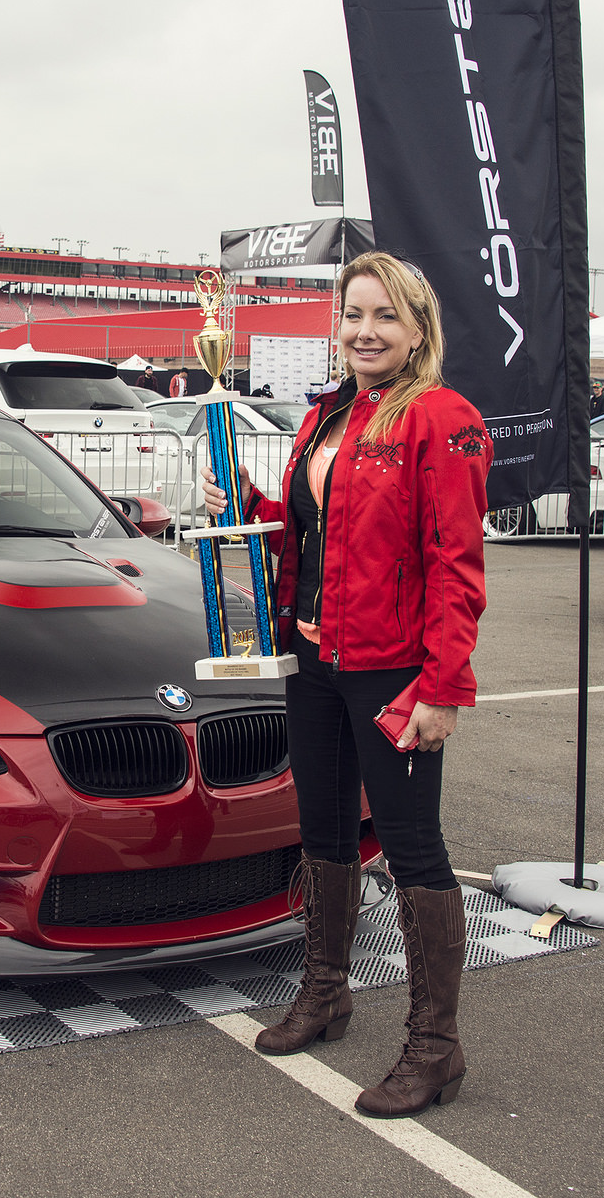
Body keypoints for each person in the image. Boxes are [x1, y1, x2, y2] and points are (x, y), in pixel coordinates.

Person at [203, 251, 489, 1119]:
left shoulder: (441, 418)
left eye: (384, 316)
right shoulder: (329, 415)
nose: (365, 331)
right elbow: (309, 531)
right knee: (322, 829)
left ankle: (435, 1046)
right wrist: (245, 501)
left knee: (412, 847)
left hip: (394, 668)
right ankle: (325, 990)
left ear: (417, 330)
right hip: (316, 658)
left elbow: (456, 565)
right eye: (352, 314)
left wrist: (442, 684)